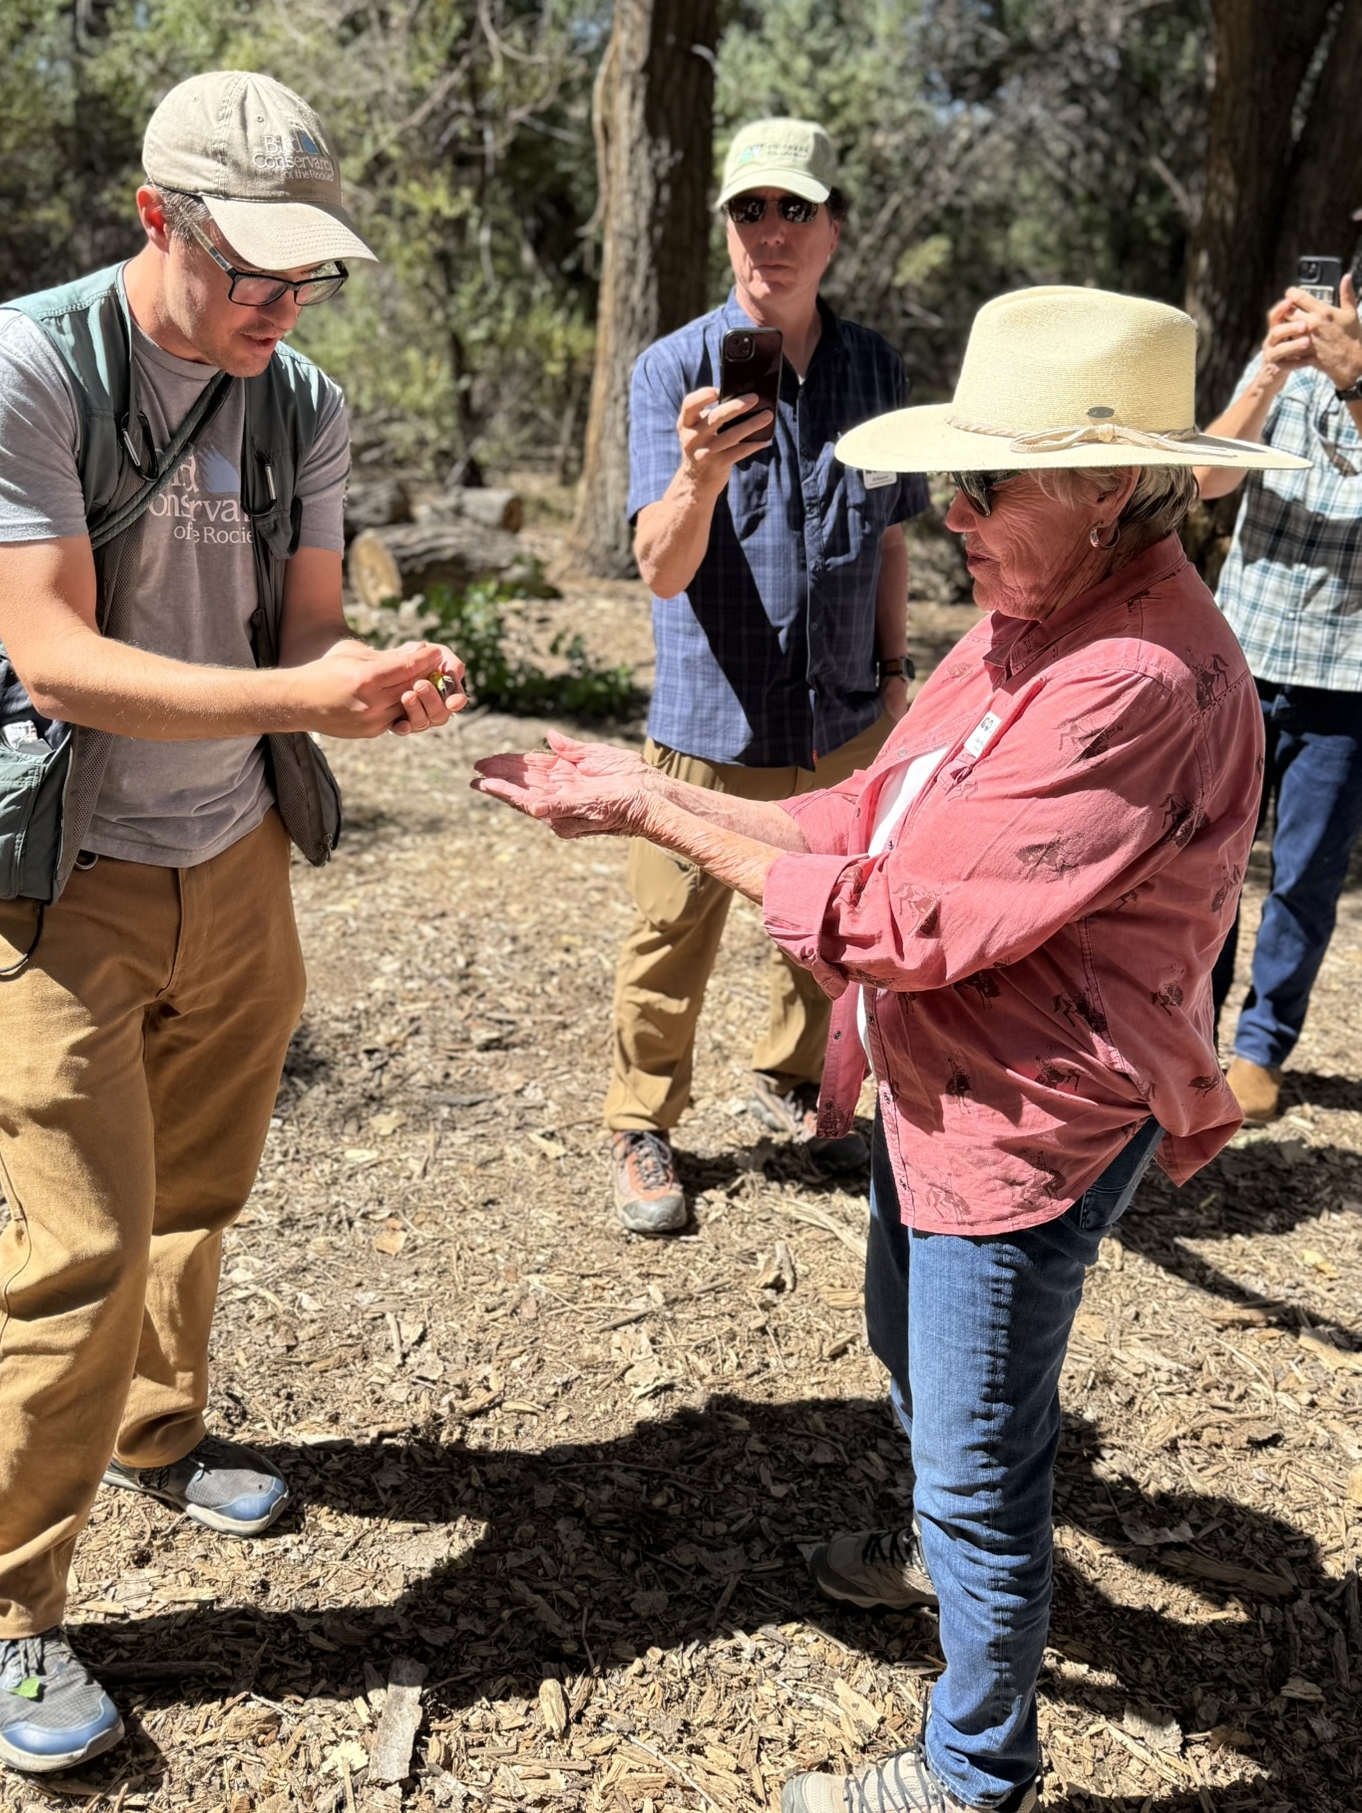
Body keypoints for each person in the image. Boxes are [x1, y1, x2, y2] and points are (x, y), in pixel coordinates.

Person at [475, 286, 1301, 1813]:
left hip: (1027, 1120)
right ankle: (941, 1552)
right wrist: (641, 788)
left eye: (990, 482)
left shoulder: (1132, 676)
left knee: (986, 1473)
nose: (955, 513)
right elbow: (866, 820)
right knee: (922, 1370)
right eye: (951, 480)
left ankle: (973, 1771)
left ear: (1110, 487)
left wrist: (659, 811)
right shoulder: (1025, 622)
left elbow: (902, 920)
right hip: (936, 1095)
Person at [0, 70, 469, 1774]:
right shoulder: (21, 368)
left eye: (305, 274)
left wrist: (364, 687)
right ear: (160, 218)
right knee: (78, 1244)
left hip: (231, 860)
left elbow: (302, 626)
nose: (281, 301)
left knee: (199, 1192)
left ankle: (159, 1435)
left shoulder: (299, 398)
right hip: (56, 874)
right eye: (252, 268)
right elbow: (57, 658)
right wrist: (306, 686)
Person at [607, 116, 926, 1235]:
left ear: (835, 226)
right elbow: (659, 568)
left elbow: (890, 535)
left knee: (828, 928)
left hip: (839, 718)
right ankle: (643, 1123)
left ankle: (794, 1079)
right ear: (726, 225)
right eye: (751, 209)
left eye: (797, 209)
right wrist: (696, 475)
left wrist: (893, 674)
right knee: (668, 934)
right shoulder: (671, 372)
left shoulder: (875, 367)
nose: (772, 233)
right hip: (708, 723)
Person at [1196, 266, 1362, 1124]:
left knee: (1304, 876)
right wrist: (1269, 370)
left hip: (1347, 677)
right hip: (1243, 658)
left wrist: (1353, 377)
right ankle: (1190, 1035)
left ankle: (1262, 1047)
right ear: (1343, 288)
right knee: (1208, 863)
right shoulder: (1287, 374)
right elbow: (1207, 480)